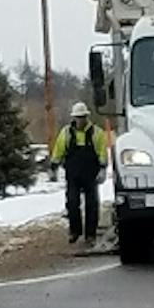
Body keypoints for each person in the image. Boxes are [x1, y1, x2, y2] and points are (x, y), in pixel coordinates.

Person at [51, 102, 109, 246]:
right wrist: (54, 165)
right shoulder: (66, 133)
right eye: (78, 117)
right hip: (73, 175)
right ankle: (74, 231)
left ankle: (90, 235)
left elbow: (102, 152)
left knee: (92, 205)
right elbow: (59, 150)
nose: (80, 120)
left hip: (91, 175)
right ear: (74, 117)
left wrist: (103, 169)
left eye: (82, 117)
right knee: (72, 203)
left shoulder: (97, 133)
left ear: (86, 117)